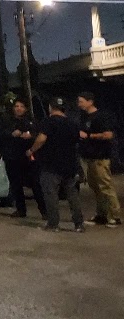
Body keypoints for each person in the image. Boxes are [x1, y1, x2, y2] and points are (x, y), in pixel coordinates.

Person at [29, 96, 85, 232]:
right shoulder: (72, 123)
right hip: (70, 164)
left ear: (50, 107)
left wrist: (31, 150)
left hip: (51, 165)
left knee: (51, 195)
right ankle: (79, 224)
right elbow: (78, 139)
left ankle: (53, 224)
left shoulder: (48, 122)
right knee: (72, 195)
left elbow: (41, 139)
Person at [0, 97, 47, 220]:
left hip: (28, 157)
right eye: (17, 106)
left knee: (35, 184)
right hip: (12, 157)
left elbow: (39, 135)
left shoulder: (31, 121)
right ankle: (20, 209)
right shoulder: (7, 121)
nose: (19, 109)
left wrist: (30, 136)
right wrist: (11, 134)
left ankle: (44, 211)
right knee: (16, 184)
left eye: (22, 106)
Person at [76, 93, 122, 227]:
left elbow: (108, 135)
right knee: (96, 187)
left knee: (105, 186)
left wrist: (89, 135)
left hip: (101, 157)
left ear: (90, 102)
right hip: (89, 157)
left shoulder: (102, 116)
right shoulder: (84, 117)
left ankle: (115, 216)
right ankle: (101, 214)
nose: (79, 104)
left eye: (81, 101)